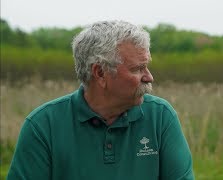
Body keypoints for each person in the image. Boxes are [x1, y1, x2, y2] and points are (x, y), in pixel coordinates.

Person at [7, 20, 194, 180]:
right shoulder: (42, 126)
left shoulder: (160, 117)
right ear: (100, 73)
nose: (149, 77)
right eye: (138, 68)